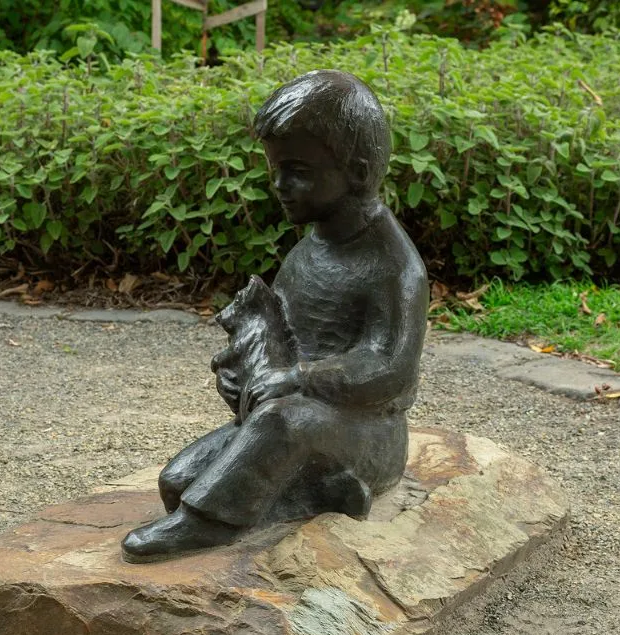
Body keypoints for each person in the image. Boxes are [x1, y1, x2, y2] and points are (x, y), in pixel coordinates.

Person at [121, 70, 428, 563]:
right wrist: (246, 376)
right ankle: (322, 491)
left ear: (358, 170)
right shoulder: (306, 254)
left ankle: (209, 524)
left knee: (281, 426)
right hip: (291, 417)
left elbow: (389, 368)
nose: (280, 185)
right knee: (177, 482)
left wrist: (298, 378)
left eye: (298, 170)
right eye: (276, 168)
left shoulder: (393, 266)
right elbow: (282, 338)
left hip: (366, 437)